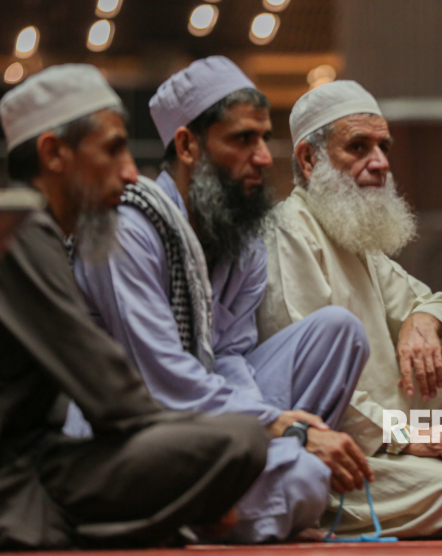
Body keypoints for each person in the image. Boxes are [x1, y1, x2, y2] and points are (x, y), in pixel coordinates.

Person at [0, 64, 270, 549]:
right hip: (13, 473)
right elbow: (119, 394)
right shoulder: (53, 232)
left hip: (83, 446)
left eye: (381, 148)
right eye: (113, 149)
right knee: (255, 447)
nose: (129, 171)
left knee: (328, 343)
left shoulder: (252, 241)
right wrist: (266, 433)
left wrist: (276, 424)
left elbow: (230, 361)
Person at [64, 57, 371, 543]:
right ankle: (235, 507)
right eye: (242, 139)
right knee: (306, 480)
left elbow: (229, 355)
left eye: (263, 138)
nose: (264, 157)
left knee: (340, 332)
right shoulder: (126, 229)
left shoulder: (242, 236)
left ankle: (234, 500)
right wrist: (279, 430)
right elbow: (158, 378)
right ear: (188, 146)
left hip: (214, 419)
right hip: (130, 427)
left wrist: (261, 439)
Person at [257, 80, 442, 539]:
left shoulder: (355, 237)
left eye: (383, 147)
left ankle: (423, 457)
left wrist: (422, 320)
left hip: (385, 434)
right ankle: (312, 503)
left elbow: (431, 300)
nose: (381, 162)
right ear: (309, 159)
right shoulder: (289, 232)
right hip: (319, 445)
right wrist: (403, 434)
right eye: (358, 147)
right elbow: (310, 382)